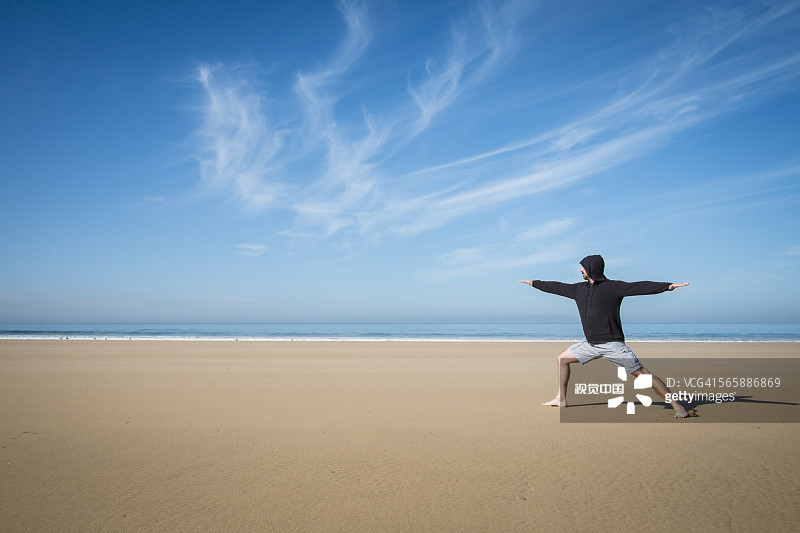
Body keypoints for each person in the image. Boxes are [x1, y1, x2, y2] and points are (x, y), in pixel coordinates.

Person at [519, 254, 690, 418]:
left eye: (583, 267)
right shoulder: (579, 289)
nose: (580, 270)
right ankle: (561, 399)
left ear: (592, 268)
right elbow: (557, 287)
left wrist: (667, 286)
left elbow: (639, 287)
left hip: (612, 344)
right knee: (562, 359)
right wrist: (535, 283)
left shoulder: (613, 287)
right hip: (591, 344)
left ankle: (678, 406)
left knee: (642, 374)